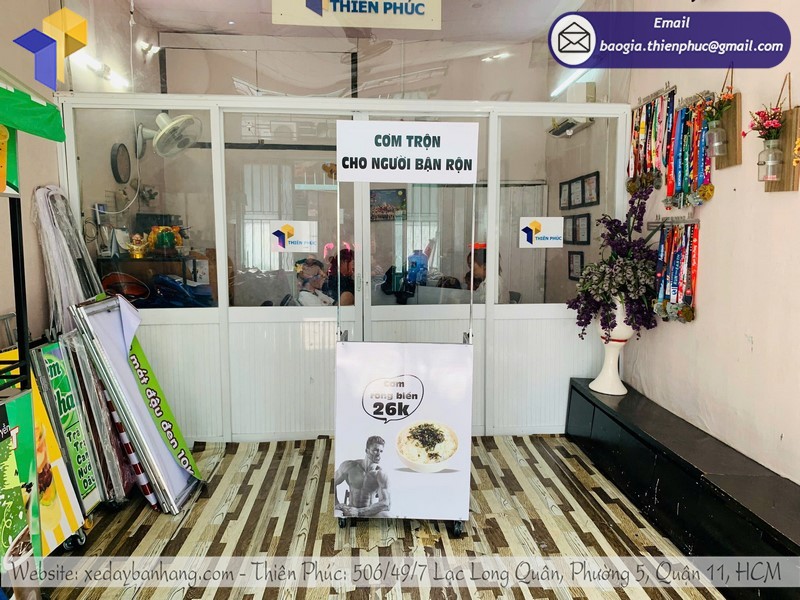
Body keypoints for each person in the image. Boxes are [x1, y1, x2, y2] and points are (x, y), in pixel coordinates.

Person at [334, 435, 391, 518]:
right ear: (367, 450)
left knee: (387, 515)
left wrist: (359, 512)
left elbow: (386, 504)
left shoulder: (380, 474)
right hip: (349, 510)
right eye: (375, 450)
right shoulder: (349, 466)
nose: (379, 454)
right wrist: (336, 503)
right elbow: (332, 482)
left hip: (369, 513)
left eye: (381, 451)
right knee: (335, 514)